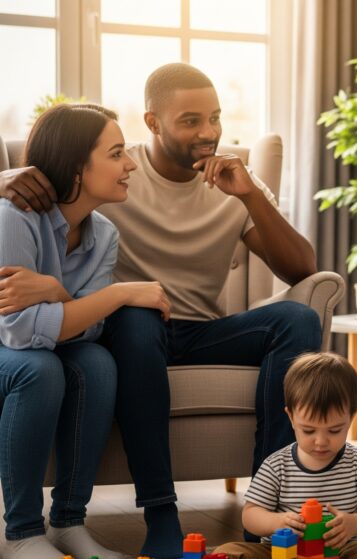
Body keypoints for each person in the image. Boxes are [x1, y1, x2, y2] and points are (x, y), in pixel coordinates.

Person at [0, 63, 322, 558]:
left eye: (214, 118)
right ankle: (161, 511)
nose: (209, 133)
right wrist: (7, 177)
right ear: (152, 123)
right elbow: (53, 189)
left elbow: (302, 268)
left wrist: (251, 196)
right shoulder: (115, 174)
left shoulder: (235, 183)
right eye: (190, 120)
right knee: (135, 316)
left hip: (203, 329)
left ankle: (267, 504)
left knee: (298, 318)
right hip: (128, 329)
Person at [0, 103, 170, 559]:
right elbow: (17, 332)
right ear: (77, 165)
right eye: (116, 154)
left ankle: (68, 522)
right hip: (8, 354)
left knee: (96, 362)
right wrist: (118, 295)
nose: (130, 164)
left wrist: (54, 293)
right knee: (39, 368)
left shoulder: (105, 235)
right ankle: (20, 532)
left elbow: (88, 330)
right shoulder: (12, 217)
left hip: (42, 344)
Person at [213, 352, 357, 559]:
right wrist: (277, 522)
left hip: (339, 551)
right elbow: (250, 515)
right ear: (291, 417)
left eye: (334, 431)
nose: (321, 441)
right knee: (225, 552)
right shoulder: (276, 465)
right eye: (308, 430)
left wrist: (354, 524)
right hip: (282, 552)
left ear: (351, 418)